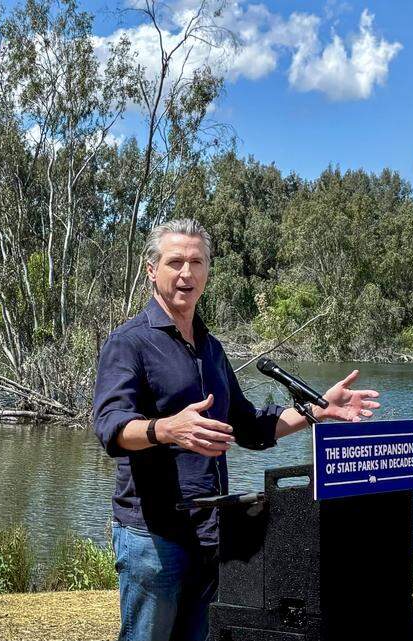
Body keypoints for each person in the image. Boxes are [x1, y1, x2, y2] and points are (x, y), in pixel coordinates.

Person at [92, 219, 382, 641]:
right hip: (153, 536)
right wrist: (166, 428)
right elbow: (110, 428)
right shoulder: (129, 342)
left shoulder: (211, 349)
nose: (186, 273)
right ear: (152, 269)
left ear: (208, 270)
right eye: (175, 262)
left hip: (211, 530)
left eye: (197, 262)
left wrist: (318, 410)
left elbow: (247, 426)